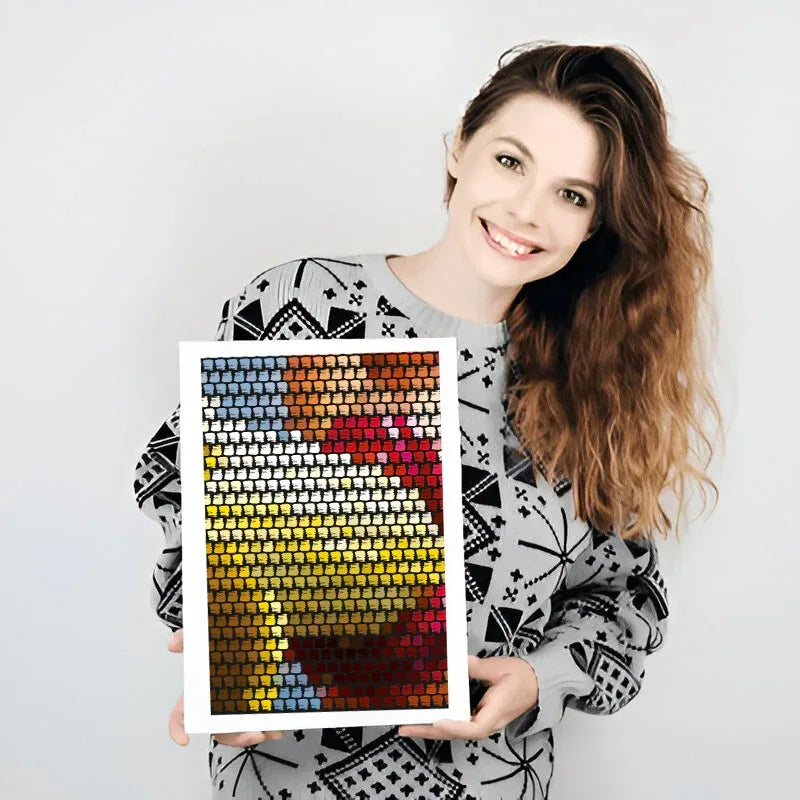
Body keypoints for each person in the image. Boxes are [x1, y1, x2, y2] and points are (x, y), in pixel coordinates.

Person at [133, 40, 722, 799]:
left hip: (487, 781)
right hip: (285, 777)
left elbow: (625, 603)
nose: (525, 212)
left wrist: (537, 677)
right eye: (511, 161)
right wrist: (225, 654)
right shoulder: (302, 306)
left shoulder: (592, 384)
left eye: (572, 196)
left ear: (593, 227)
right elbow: (180, 492)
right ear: (459, 148)